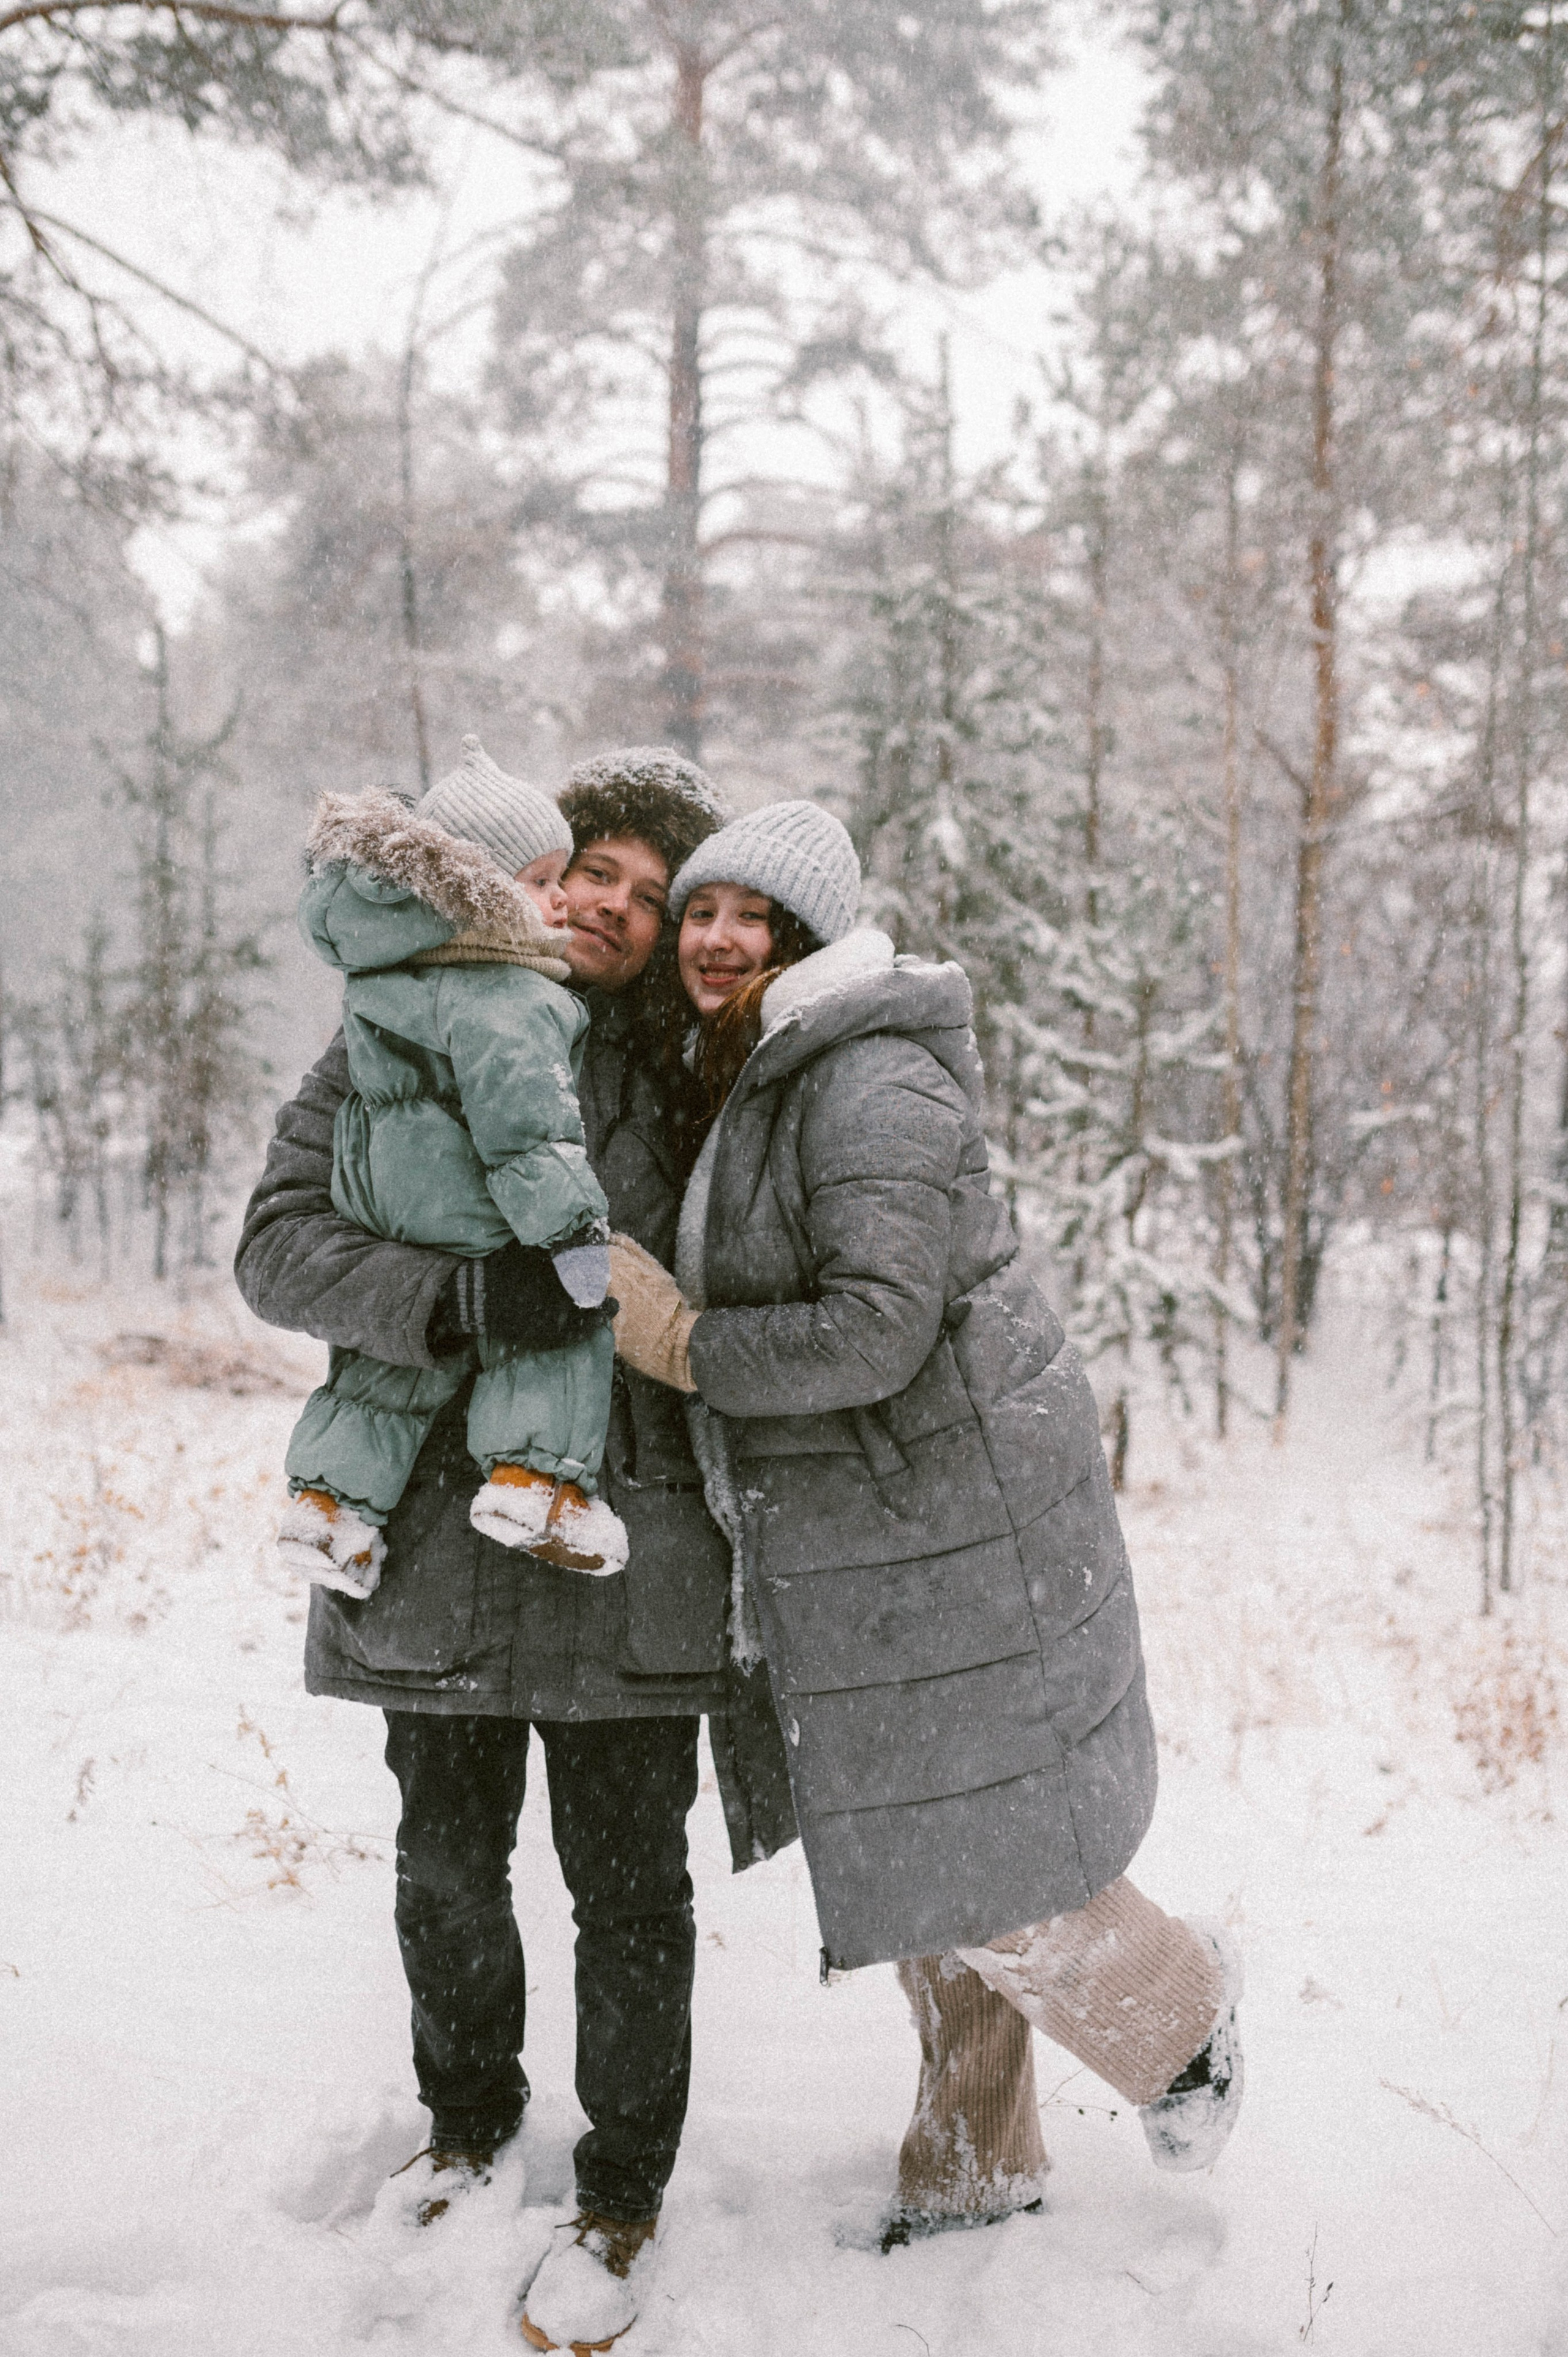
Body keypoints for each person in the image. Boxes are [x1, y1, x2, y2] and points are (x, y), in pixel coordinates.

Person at [608, 798, 1245, 2249]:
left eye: (746, 916)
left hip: (947, 1522)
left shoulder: (867, 1079)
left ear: (808, 936)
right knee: (927, 1856)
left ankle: (1180, 2017)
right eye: (698, 911)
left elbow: (877, 1330)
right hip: (878, 1529)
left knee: (988, 1866)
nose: (711, 937)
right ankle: (972, 2165)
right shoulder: (768, 1067)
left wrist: (685, 1344)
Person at [235, 749, 789, 2353]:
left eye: (642, 889)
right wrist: (456, 1301)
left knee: (632, 1900)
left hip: (635, 1547)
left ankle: (620, 2196)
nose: (608, 907)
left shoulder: (712, 1075)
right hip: (436, 1552)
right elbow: (278, 1247)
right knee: (446, 1870)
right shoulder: (396, 1023)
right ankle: (467, 2131)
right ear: (530, 880)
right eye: (587, 875)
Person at [277, 736, 627, 1590]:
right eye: (543, 882)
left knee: (382, 1373)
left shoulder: (394, 971)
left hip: (388, 1203)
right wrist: (572, 1230)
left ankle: (329, 1508)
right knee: (561, 1330)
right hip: (473, 1201)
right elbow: (527, 1128)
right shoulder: (512, 992)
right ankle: (534, 1483)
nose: (564, 902)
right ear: (474, 889)